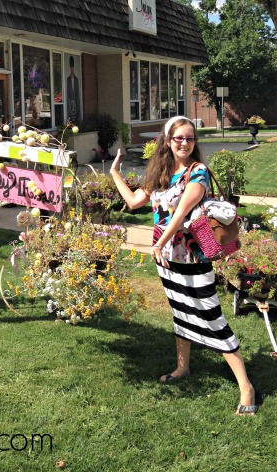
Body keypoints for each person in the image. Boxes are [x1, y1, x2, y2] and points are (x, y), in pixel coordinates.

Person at [109, 115, 259, 416]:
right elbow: (135, 202)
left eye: (190, 138)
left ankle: (246, 386)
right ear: (167, 140)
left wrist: (159, 242)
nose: (184, 143)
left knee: (211, 316)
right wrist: (114, 173)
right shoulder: (162, 173)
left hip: (190, 256)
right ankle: (182, 368)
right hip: (165, 259)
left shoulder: (197, 172)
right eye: (179, 138)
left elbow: (181, 214)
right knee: (180, 312)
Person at [66, 55, 81, 123]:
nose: (72, 69)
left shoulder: (76, 79)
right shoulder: (67, 80)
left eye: (73, 68)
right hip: (70, 102)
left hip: (76, 102)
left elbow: (77, 93)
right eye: (71, 68)